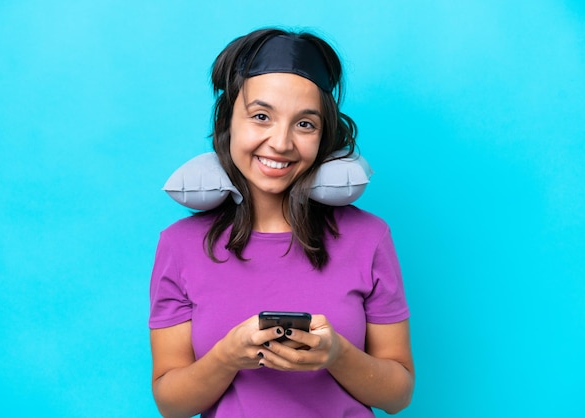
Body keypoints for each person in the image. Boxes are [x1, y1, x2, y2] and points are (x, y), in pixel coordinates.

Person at [149, 28, 414, 418]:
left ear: (324, 137)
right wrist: (226, 357)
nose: (281, 143)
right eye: (261, 117)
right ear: (228, 121)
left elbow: (398, 396)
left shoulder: (369, 237)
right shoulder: (180, 245)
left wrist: (337, 355)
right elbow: (170, 404)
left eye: (305, 124)